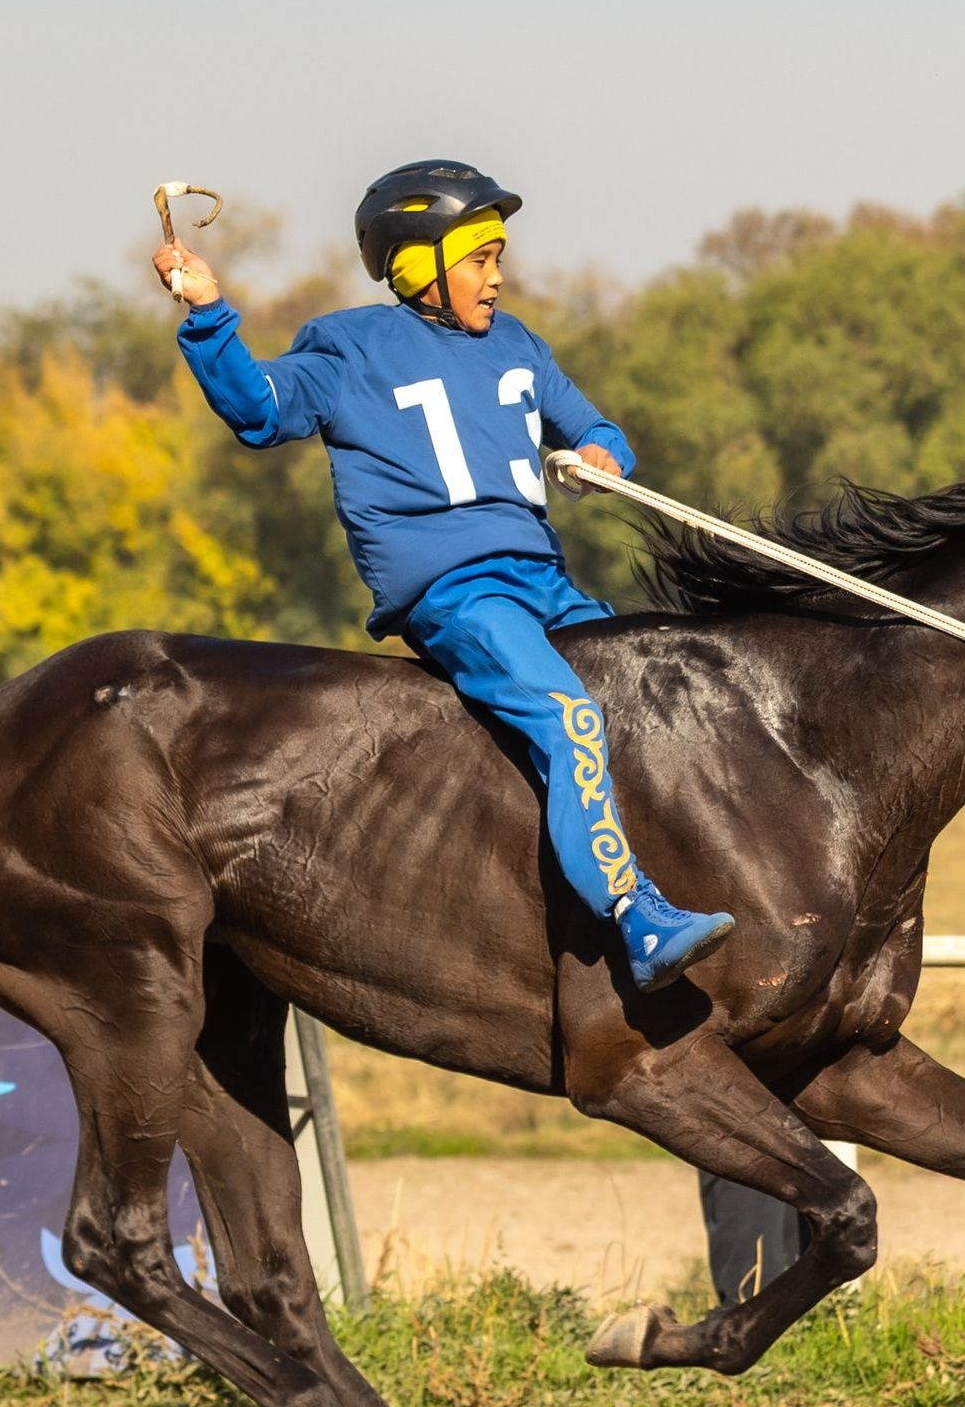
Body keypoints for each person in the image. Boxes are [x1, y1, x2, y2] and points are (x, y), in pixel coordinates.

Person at [155, 158, 734, 994]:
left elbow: (595, 426)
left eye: (499, 256)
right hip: (461, 597)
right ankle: (632, 915)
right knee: (569, 714)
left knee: (658, 694)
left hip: (546, 583)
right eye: (479, 259)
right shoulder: (349, 347)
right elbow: (258, 410)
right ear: (416, 265)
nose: (497, 277)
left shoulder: (519, 344)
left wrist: (602, 453)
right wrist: (208, 313)